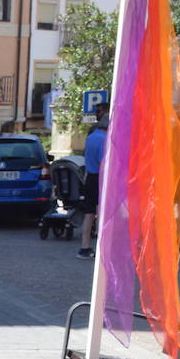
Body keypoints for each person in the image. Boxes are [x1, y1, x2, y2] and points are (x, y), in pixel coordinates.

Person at [76, 102, 109, 260]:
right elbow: (104, 162)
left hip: (90, 176)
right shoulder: (105, 140)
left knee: (89, 213)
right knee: (103, 214)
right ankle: (103, 248)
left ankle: (85, 246)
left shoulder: (91, 137)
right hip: (101, 179)